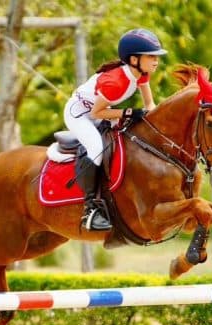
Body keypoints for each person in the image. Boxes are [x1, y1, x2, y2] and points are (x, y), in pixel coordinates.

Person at [64, 28, 167, 231]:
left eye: (156, 57)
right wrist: (128, 112)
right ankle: (91, 208)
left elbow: (149, 106)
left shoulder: (141, 74)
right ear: (134, 59)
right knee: (95, 148)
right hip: (79, 115)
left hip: (101, 110)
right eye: (151, 56)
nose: (156, 61)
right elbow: (96, 113)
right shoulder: (116, 81)